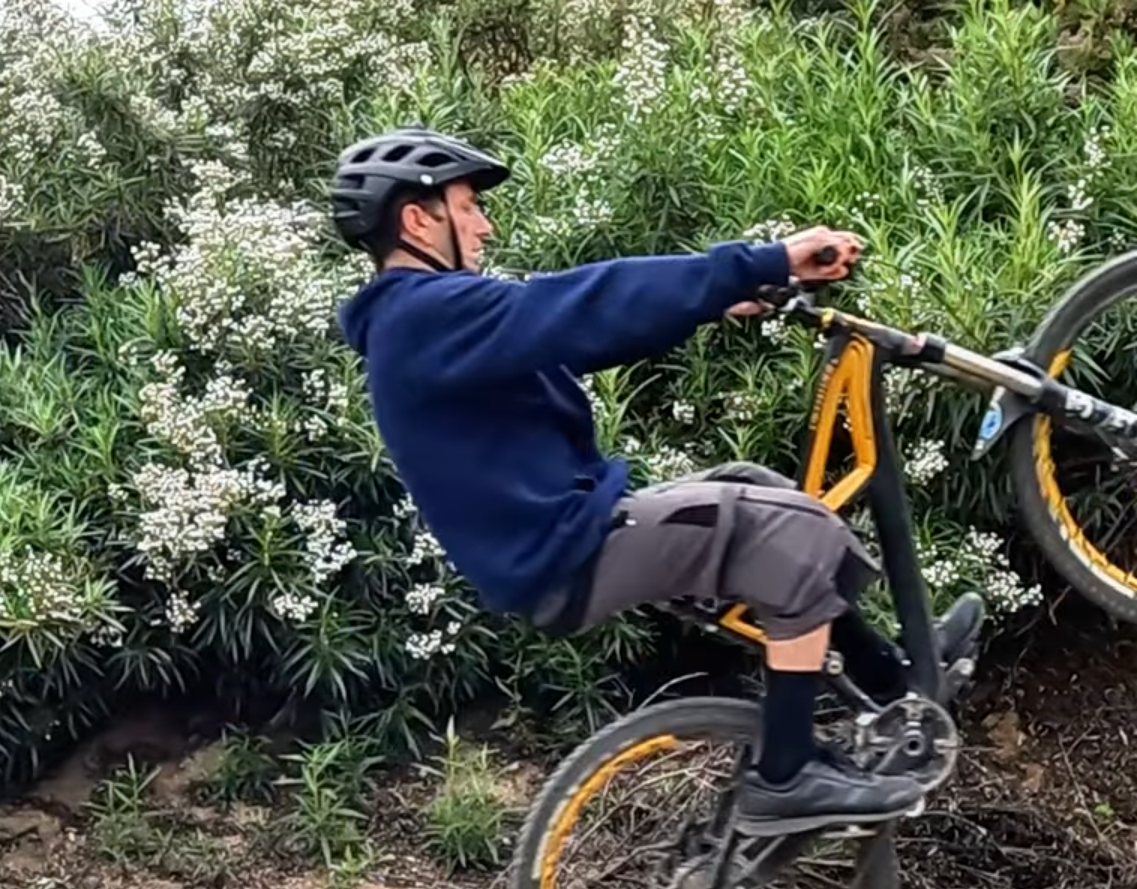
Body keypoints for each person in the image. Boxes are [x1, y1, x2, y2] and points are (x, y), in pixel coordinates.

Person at [329, 125, 985, 834]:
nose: (484, 224)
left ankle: (891, 685)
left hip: (567, 538)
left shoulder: (429, 321)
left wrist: (708, 299)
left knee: (752, 481)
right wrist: (752, 263)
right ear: (418, 218)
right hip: (568, 551)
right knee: (793, 534)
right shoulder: (421, 315)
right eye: (468, 206)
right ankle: (786, 775)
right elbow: (582, 303)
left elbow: (578, 330)